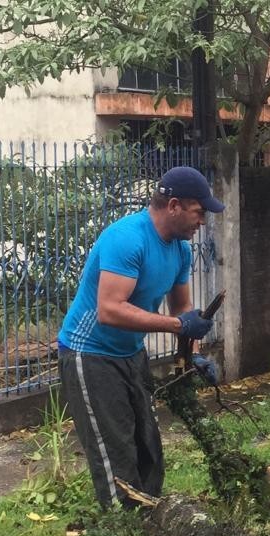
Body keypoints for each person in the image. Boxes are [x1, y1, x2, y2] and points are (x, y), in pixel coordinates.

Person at [57, 166, 223, 507]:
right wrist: (178, 326)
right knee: (114, 454)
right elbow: (110, 309)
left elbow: (182, 309)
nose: (202, 222)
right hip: (90, 354)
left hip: (131, 354)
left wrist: (191, 355)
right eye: (199, 212)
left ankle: (153, 523)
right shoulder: (127, 238)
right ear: (174, 205)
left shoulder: (180, 249)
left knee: (148, 448)